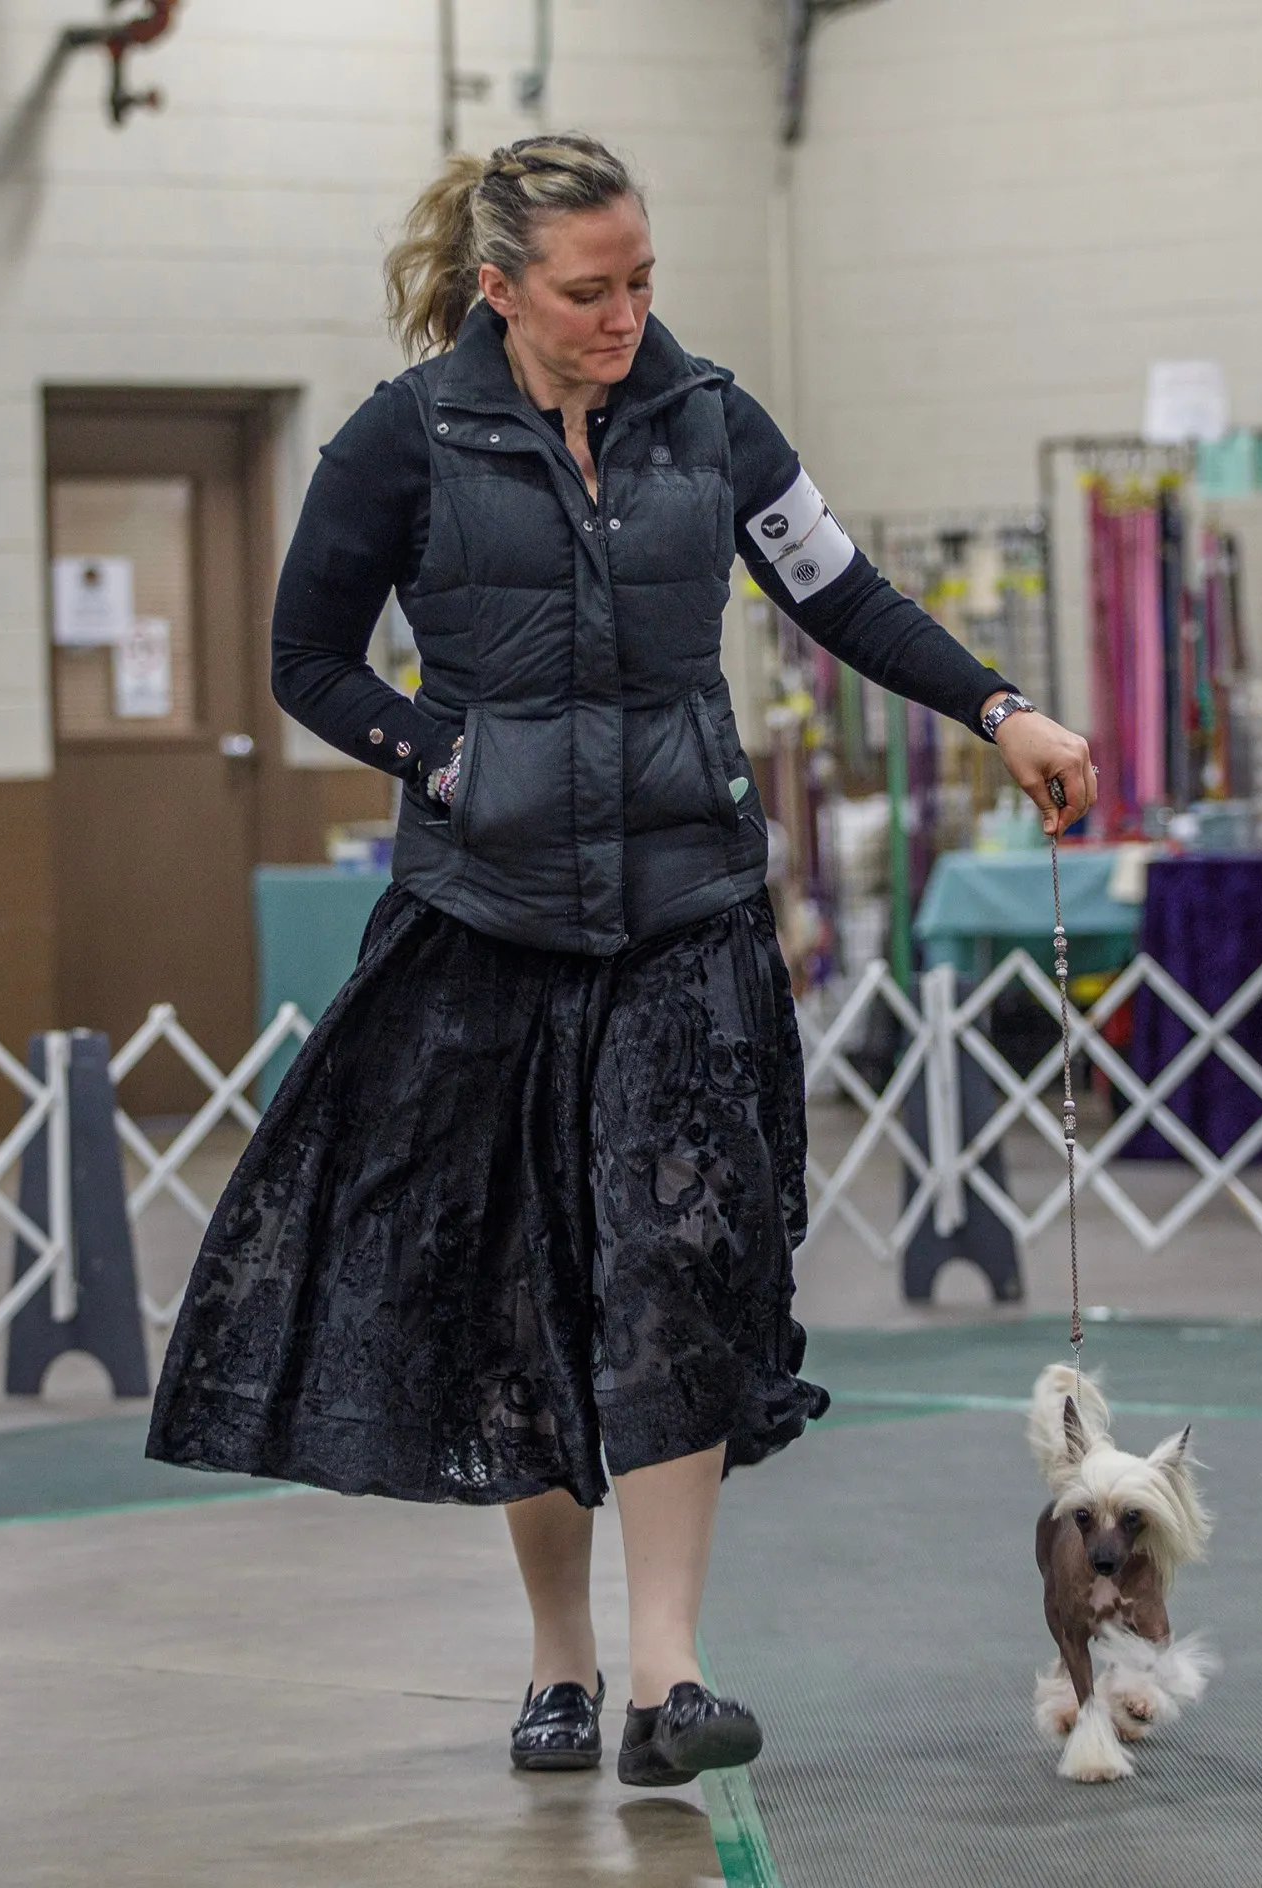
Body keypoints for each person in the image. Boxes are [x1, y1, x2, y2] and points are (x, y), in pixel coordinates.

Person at [147, 132, 1096, 1788]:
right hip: (482, 924)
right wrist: (439, 760)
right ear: (500, 290)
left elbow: (842, 593)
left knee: (680, 1273)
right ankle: (558, 1662)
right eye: (590, 292)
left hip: (686, 915)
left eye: (644, 280)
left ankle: (668, 1678)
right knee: (522, 1296)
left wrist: (1001, 707)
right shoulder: (403, 436)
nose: (625, 316)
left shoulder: (711, 420)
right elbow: (305, 655)